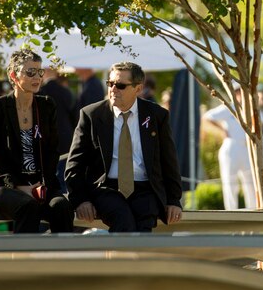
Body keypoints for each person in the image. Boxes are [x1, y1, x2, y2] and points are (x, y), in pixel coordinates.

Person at [66, 61, 183, 232]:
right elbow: (74, 165)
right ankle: (120, 258)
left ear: (138, 89)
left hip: (145, 189)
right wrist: (80, 200)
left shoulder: (157, 116)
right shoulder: (91, 115)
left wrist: (174, 201)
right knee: (123, 219)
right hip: (106, 188)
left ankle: (122, 258)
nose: (113, 89)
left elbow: (169, 161)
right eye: (110, 83)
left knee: (144, 223)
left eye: (120, 85)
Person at [0, 50, 74, 234]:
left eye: (40, 72)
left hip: (42, 185)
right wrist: (19, 186)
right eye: (30, 72)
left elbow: (52, 150)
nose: (37, 77)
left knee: (62, 207)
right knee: (28, 206)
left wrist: (41, 184)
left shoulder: (46, 105)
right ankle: (23, 259)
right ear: (13, 76)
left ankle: (64, 259)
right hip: (7, 187)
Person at [202, 84, 257, 209]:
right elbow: (207, 117)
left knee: (250, 183)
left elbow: (262, 122)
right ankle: (232, 213)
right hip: (231, 147)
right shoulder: (228, 107)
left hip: (246, 148)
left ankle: (253, 213)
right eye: (239, 92)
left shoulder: (250, 108)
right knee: (230, 184)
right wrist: (222, 130)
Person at [37, 64, 78, 191]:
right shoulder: (66, 92)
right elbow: (75, 117)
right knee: (64, 178)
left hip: (46, 139)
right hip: (66, 139)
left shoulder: (40, 92)